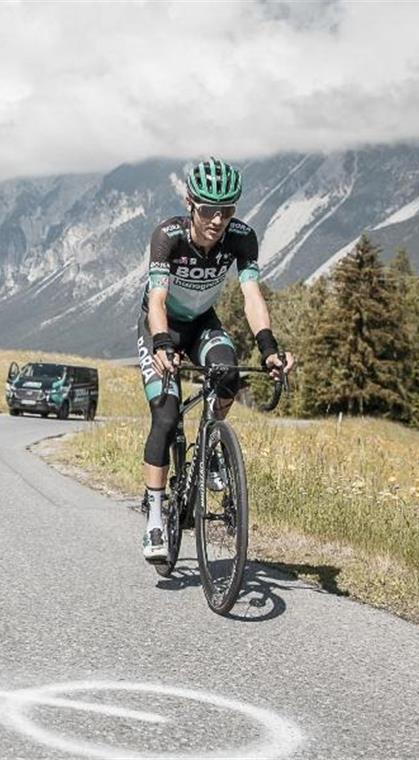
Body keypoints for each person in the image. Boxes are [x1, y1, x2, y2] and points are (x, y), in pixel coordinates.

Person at [137, 157, 296, 563]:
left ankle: (210, 446)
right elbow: (156, 299)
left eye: (226, 210)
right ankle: (155, 515)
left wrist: (269, 347)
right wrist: (160, 344)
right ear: (190, 203)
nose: (217, 220)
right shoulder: (167, 236)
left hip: (204, 323)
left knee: (227, 375)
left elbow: (251, 296)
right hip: (163, 327)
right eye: (208, 209)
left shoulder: (241, 238)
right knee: (167, 417)